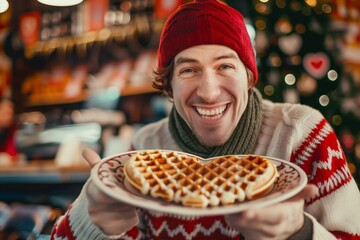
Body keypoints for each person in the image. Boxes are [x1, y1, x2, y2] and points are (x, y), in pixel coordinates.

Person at [50, 0, 360, 239]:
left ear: (249, 77)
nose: (209, 92)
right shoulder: (145, 148)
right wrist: (90, 221)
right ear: (168, 85)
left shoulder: (301, 134)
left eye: (225, 66)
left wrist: (301, 232)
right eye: (188, 70)